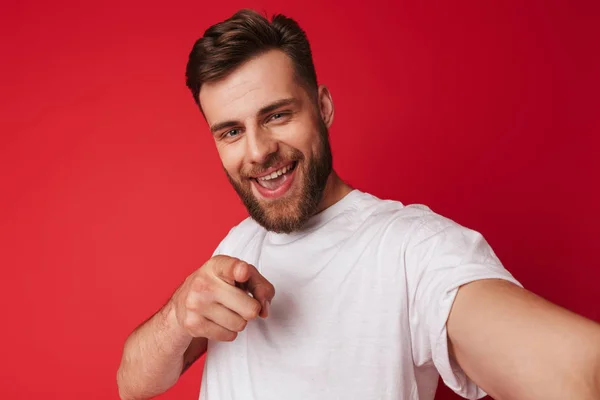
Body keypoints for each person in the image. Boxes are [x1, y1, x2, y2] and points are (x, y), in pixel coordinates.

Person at [116, 9, 600, 400]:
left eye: (278, 115)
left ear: (322, 107)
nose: (258, 150)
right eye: (231, 131)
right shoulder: (239, 244)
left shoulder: (413, 247)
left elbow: (577, 372)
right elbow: (132, 384)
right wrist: (180, 313)